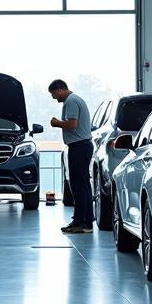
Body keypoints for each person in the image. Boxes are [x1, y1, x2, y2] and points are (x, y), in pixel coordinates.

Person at [49, 79, 94, 234]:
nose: (54, 97)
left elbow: (72, 124)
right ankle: (87, 222)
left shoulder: (71, 101)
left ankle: (79, 222)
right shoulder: (75, 99)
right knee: (84, 185)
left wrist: (56, 123)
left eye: (53, 93)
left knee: (78, 186)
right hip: (83, 146)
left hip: (79, 147)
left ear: (60, 88)